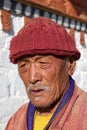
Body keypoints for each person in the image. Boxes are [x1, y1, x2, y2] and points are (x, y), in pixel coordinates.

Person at [5, 16, 87, 130]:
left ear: (71, 65)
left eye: (43, 63)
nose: (32, 78)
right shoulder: (16, 120)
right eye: (23, 65)